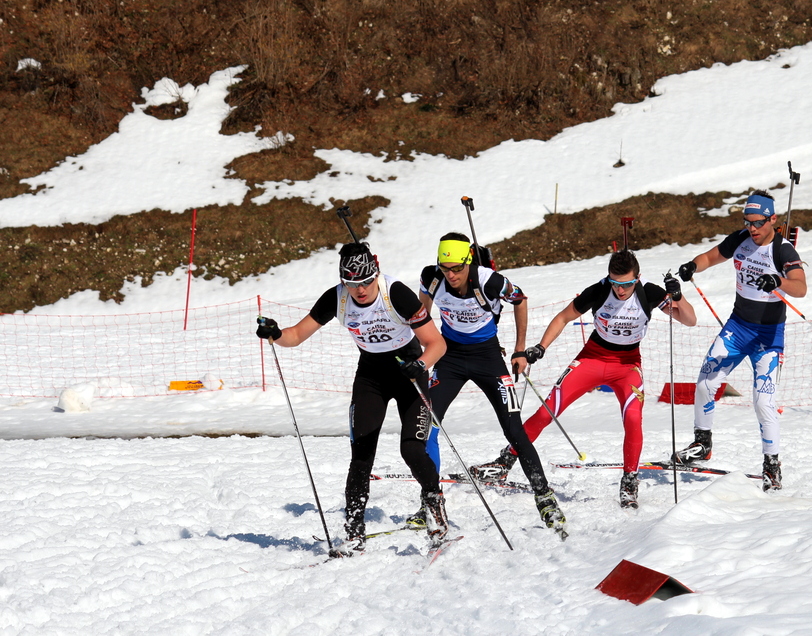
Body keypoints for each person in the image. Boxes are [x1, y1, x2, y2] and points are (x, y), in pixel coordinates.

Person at [255, 241, 448, 556]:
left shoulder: (396, 293)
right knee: (360, 457)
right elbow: (296, 335)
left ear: (376, 273)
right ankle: (354, 532)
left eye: (366, 281)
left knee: (412, 449)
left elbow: (437, 343)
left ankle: (435, 512)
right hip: (371, 377)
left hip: (409, 374)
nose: (360, 290)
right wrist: (276, 333)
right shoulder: (337, 297)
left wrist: (421, 365)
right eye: (352, 283)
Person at [473, 249, 696, 509]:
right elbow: (563, 317)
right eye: (615, 283)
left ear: (637, 278)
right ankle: (505, 461)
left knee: (633, 418)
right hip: (592, 358)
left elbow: (689, 320)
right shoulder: (600, 290)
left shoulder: (649, 292)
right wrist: (541, 347)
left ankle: (629, 480)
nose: (619, 290)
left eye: (625, 284)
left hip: (627, 366)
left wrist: (678, 297)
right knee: (546, 411)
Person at [413, 232, 567, 538]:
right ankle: (430, 503)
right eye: (445, 268)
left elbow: (520, 300)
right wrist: (422, 351)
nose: (451, 275)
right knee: (427, 425)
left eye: (457, 268)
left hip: (488, 359)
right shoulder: (432, 277)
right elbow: (421, 314)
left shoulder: (490, 281)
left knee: (514, 429)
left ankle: (544, 497)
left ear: (469, 261)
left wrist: (520, 349)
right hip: (450, 358)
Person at [673, 190, 806, 492]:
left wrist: (779, 281)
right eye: (747, 222)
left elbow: (801, 288)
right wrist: (693, 266)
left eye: (758, 222)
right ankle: (702, 444)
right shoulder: (741, 239)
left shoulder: (782, 250)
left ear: (772, 219)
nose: (752, 228)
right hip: (737, 328)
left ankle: (771, 465)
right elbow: (711, 256)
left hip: (768, 336)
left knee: (763, 402)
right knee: (705, 382)